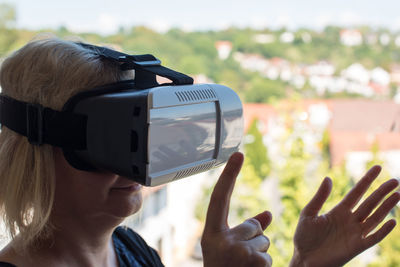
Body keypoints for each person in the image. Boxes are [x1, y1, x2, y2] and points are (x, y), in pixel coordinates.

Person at [0, 37, 398, 267]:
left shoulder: (133, 251)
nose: (137, 165)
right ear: (35, 151)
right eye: (116, 137)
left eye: (142, 131)